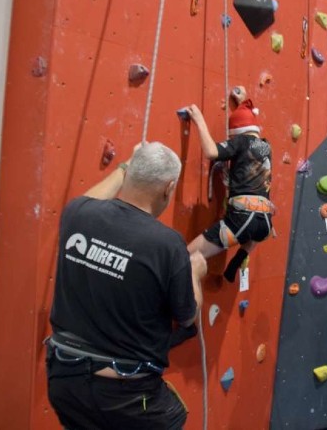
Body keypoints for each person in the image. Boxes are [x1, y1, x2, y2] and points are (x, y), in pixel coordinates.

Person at [46, 142, 207, 430]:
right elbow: (187, 317)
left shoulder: (77, 214)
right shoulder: (167, 245)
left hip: (65, 383)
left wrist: (126, 168)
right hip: (126, 398)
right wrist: (195, 273)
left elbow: (88, 201)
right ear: (169, 188)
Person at [186, 87, 274, 282]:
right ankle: (237, 261)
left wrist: (199, 119)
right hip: (265, 222)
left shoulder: (240, 142)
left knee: (187, 256)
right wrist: (245, 103)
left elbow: (211, 152)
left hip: (242, 219)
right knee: (252, 232)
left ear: (236, 133)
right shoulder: (266, 146)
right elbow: (250, 126)